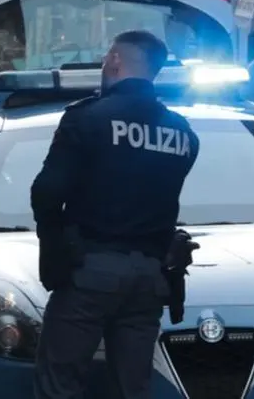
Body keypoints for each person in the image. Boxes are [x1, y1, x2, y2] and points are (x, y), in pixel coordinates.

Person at [30, 30, 200, 399]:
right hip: (149, 279)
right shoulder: (183, 133)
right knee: (132, 389)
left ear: (116, 61)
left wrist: (54, 247)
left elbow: (46, 192)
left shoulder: (87, 119)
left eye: (109, 57)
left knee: (59, 384)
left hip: (90, 273)